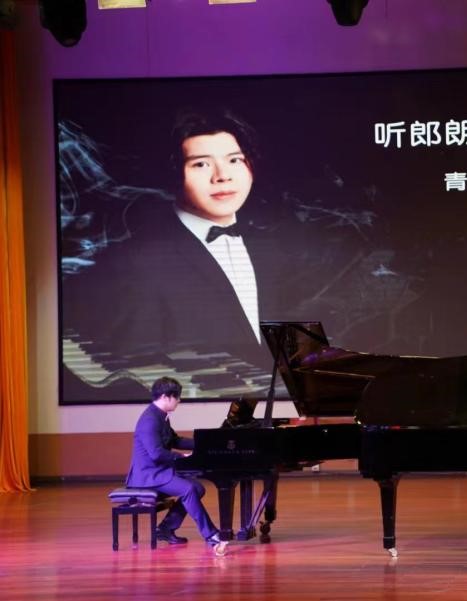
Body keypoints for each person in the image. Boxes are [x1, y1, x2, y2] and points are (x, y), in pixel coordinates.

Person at [62, 108, 293, 400]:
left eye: (235, 160)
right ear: (173, 171)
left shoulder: (274, 250)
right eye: (201, 164)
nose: (222, 177)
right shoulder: (136, 262)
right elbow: (133, 375)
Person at [125, 376, 228, 555]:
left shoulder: (160, 416)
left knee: (198, 488)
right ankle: (212, 536)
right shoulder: (150, 420)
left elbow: (175, 440)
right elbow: (156, 453)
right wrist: (181, 456)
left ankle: (165, 528)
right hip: (148, 476)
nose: (179, 400)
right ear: (165, 397)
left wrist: (206, 444)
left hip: (158, 473)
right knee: (189, 489)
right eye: (177, 397)